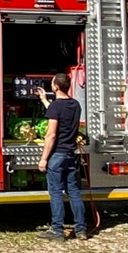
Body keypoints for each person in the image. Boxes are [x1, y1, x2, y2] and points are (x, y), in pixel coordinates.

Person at [35, 72, 87, 240]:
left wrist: (43, 159)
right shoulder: (76, 105)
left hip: (56, 155)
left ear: (56, 86)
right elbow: (58, 112)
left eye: (52, 83)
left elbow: (51, 135)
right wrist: (44, 100)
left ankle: (57, 230)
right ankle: (81, 229)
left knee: (56, 193)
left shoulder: (56, 107)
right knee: (74, 192)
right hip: (71, 155)